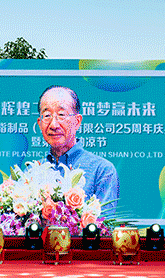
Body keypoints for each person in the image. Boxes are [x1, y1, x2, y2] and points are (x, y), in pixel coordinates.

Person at [38, 85, 119, 215]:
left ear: (77, 121)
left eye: (61, 115)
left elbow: (104, 224)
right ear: (39, 123)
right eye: (47, 115)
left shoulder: (102, 170)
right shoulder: (31, 172)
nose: (53, 124)